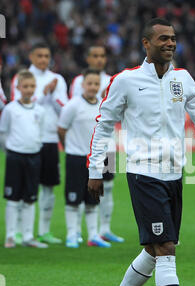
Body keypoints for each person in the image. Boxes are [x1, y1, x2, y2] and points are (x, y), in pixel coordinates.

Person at [87, 18, 195, 286]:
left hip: (175, 174)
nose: (170, 43)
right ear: (145, 44)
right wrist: (96, 170)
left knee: (152, 250)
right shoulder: (125, 81)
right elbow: (104, 125)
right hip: (143, 173)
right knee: (166, 249)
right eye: (162, 38)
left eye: (173, 38)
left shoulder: (182, 79)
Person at [10, 43, 68, 245]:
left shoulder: (58, 79)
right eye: (40, 55)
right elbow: (18, 104)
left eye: (47, 55)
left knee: (48, 188)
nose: (44, 59)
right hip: (27, 141)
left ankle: (44, 231)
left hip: (50, 139)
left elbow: (64, 110)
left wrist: (51, 95)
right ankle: (17, 232)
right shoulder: (22, 77)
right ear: (31, 56)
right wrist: (44, 93)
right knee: (24, 188)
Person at [69, 45, 124, 244]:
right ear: (88, 58)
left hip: (108, 146)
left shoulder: (114, 80)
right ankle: (78, 231)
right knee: (87, 186)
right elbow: (77, 108)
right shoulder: (79, 82)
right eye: (95, 56)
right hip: (89, 146)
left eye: (102, 56)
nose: (99, 59)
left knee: (107, 186)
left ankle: (105, 229)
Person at [58, 69, 111, 248]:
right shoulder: (73, 105)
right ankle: (72, 234)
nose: (93, 87)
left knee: (93, 199)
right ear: (82, 84)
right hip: (76, 157)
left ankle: (93, 235)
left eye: (96, 84)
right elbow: (61, 129)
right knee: (73, 199)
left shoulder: (103, 106)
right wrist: (69, 148)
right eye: (90, 83)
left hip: (95, 160)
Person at [0, 70, 48, 248]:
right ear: (18, 87)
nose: (29, 90)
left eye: (32, 86)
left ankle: (28, 236)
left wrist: (34, 147)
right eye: (25, 86)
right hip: (15, 156)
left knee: (30, 197)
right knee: (13, 198)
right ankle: (11, 235)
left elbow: (40, 132)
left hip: (34, 156)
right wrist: (11, 150)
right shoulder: (10, 109)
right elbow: (3, 133)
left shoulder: (40, 110)